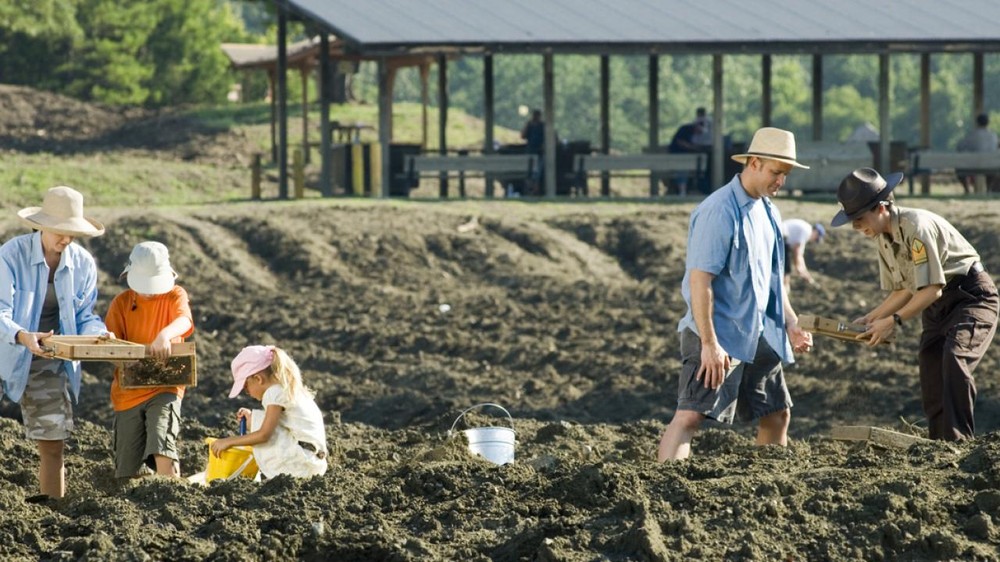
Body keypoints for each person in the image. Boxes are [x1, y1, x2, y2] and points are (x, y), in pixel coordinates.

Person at [657, 127, 813, 462]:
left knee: (777, 413)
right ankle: (662, 487)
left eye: (785, 175)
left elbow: (772, 281)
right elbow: (701, 281)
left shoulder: (770, 211)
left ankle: (768, 478)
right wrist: (710, 345)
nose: (780, 182)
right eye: (775, 173)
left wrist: (791, 323)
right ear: (754, 163)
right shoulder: (719, 210)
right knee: (690, 416)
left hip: (759, 334)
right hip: (720, 333)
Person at [830, 167, 998, 441]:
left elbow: (932, 289)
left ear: (881, 208)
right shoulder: (883, 238)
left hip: (970, 297)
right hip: (936, 306)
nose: (856, 227)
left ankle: (961, 442)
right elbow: (903, 289)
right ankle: (939, 444)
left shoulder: (915, 226)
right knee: (930, 366)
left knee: (955, 359)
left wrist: (893, 321)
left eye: (859, 218)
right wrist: (871, 317)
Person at [0, 186, 109, 499]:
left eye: (72, 233)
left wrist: (98, 335)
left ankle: (53, 512)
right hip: (5, 346)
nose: (66, 239)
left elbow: (84, 314)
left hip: (46, 355)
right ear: (42, 226)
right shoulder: (10, 255)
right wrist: (22, 335)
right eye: (60, 232)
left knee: (53, 441)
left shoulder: (83, 264)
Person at [104, 241, 194, 479]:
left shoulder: (175, 295)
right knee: (126, 470)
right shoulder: (122, 303)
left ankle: (173, 499)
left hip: (166, 384)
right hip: (128, 391)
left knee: (162, 444)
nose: (149, 290)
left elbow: (185, 320)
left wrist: (165, 335)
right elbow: (112, 347)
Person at [211, 345, 327, 479]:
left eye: (246, 387)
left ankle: (275, 476)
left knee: (262, 428)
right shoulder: (288, 389)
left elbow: (264, 435)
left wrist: (229, 441)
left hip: (300, 466)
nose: (248, 393)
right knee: (260, 418)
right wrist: (252, 419)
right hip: (313, 462)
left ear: (258, 379)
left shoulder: (273, 393)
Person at [955, 113, 999, 194]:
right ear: (988, 123)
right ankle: (988, 189)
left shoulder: (972, 135)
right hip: (991, 167)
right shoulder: (994, 136)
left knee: (959, 171)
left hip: (973, 167)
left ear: (977, 123)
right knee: (993, 172)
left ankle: (967, 190)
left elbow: (960, 147)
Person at [781, 218, 825, 291]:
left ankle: (785, 288)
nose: (814, 240)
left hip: (784, 239)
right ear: (816, 232)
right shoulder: (807, 231)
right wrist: (798, 268)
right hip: (782, 237)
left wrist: (805, 273)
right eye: (816, 238)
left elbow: (800, 257)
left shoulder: (805, 233)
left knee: (786, 268)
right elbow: (796, 251)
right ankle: (785, 289)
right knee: (786, 269)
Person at [520, 109, 545, 195]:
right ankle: (531, 189)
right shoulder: (530, 126)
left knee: (537, 173)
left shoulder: (542, 126)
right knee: (532, 172)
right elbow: (523, 136)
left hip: (538, 152)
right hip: (531, 152)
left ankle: (535, 190)